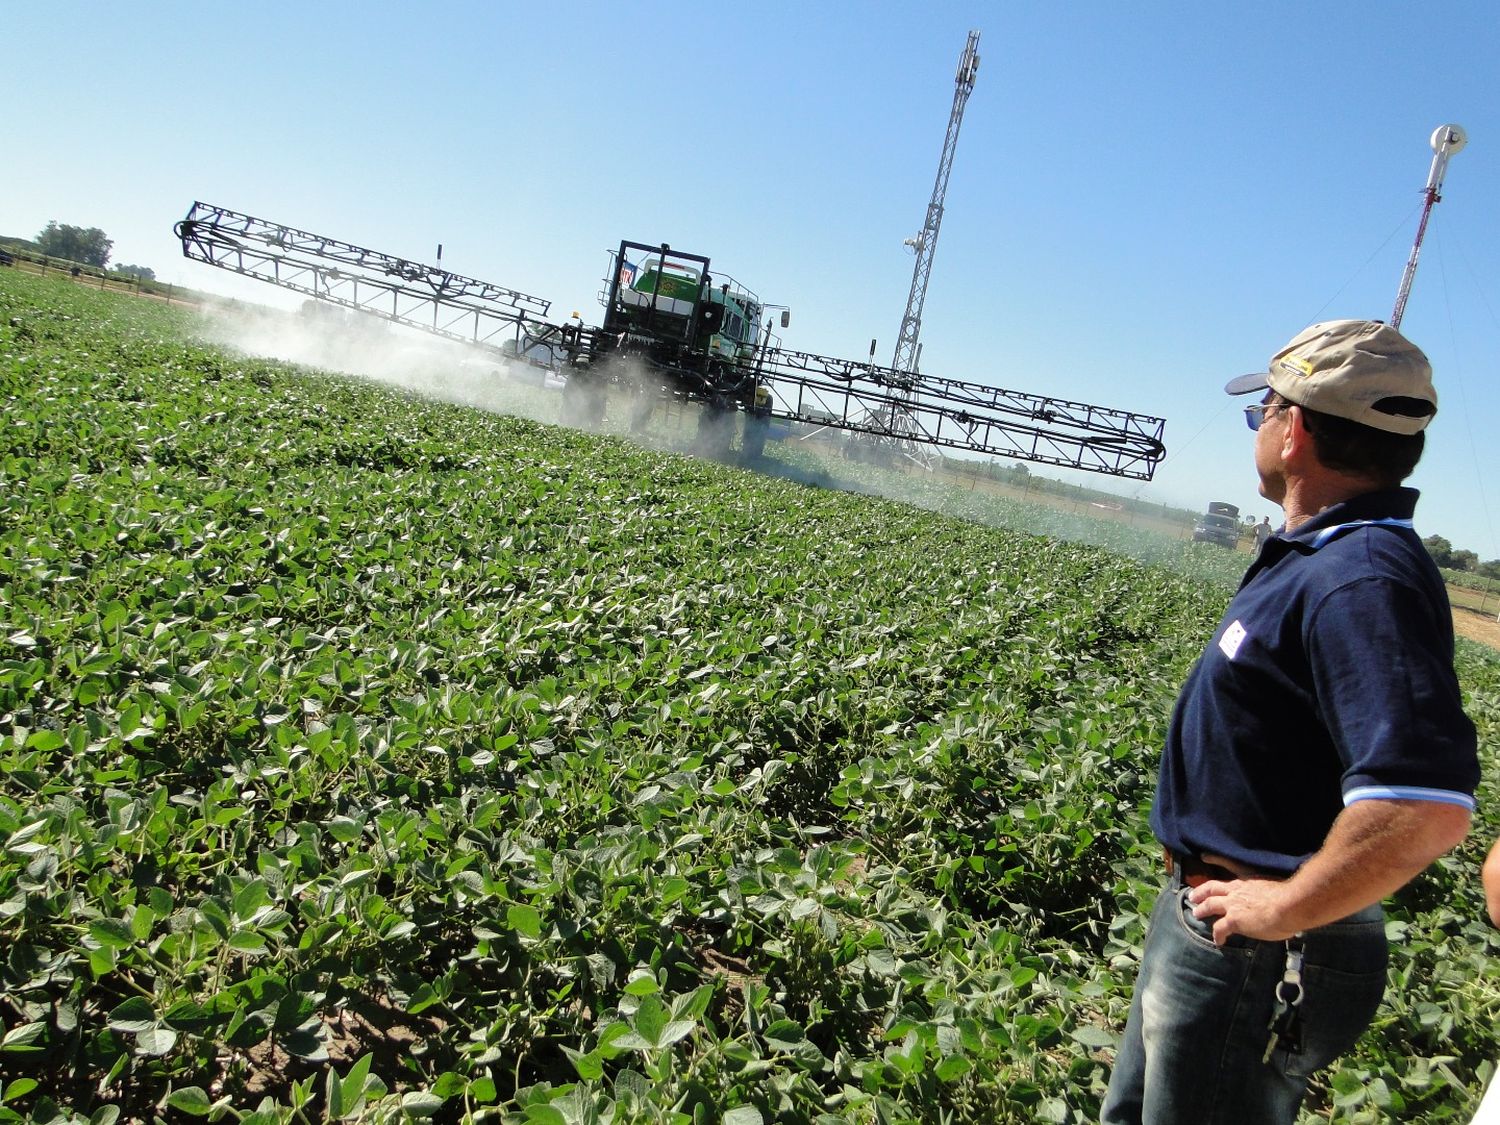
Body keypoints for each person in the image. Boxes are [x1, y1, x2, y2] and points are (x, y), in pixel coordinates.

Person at [1102, 319, 1479, 1125]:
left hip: (1258, 952)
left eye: (1261, 409)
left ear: (1296, 427)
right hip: (1218, 924)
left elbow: (1427, 804)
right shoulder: (1326, 554)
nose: (1260, 427)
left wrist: (1283, 907)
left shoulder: (1361, 577)